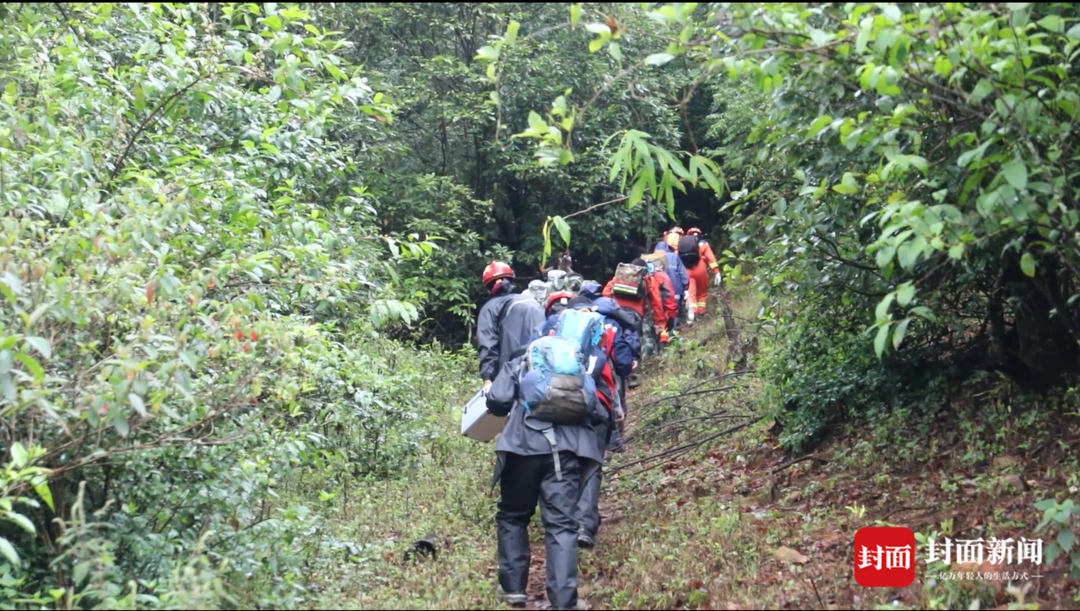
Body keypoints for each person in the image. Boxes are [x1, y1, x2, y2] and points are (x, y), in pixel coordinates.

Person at [486, 302, 604, 611]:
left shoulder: (522, 362)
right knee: (562, 526)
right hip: (565, 454)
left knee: (513, 516)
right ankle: (564, 600)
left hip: (521, 448)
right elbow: (597, 411)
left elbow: (497, 401)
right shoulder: (577, 366)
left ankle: (514, 591)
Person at [477, 261, 546, 393]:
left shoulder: (490, 308)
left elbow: (488, 344)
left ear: (488, 287)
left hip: (515, 367)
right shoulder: (531, 300)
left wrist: (487, 379)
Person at [682, 227, 722, 324]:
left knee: (691, 294)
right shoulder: (704, 244)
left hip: (688, 271)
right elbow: (711, 258)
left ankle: (692, 315)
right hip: (701, 270)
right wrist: (716, 272)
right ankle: (700, 313)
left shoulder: (683, 245)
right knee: (702, 293)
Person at [654, 228, 691, 326]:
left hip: (658, 291)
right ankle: (674, 333)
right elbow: (683, 275)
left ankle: (663, 333)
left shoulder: (651, 259)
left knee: (661, 312)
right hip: (676, 289)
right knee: (674, 311)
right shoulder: (674, 257)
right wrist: (685, 288)